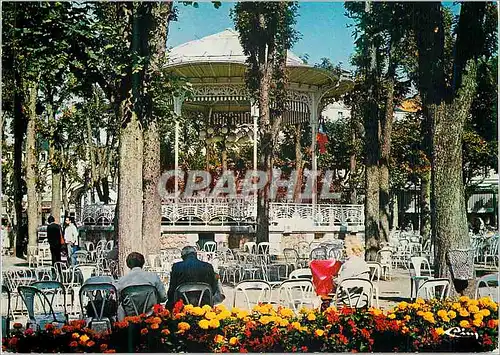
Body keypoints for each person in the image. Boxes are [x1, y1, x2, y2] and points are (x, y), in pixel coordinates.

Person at [115, 252, 167, 317]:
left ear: (128, 265)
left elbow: (117, 299)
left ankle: (121, 326)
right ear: (143, 263)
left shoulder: (122, 280)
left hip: (130, 318)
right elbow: (163, 297)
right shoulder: (153, 277)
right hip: (151, 317)